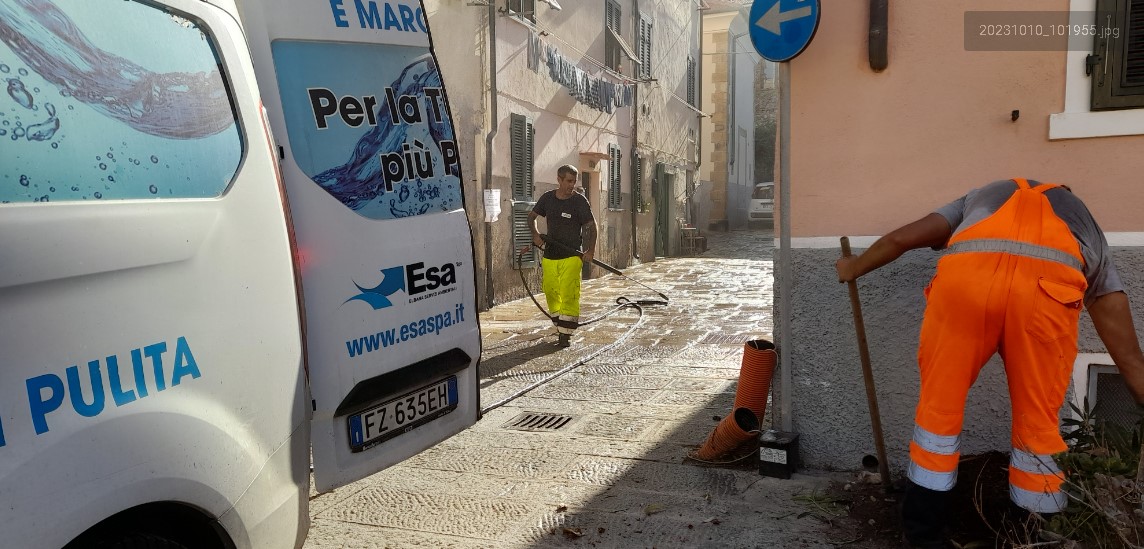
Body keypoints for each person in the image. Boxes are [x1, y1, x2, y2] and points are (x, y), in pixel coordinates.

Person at [834, 178, 1144, 548]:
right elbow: (1111, 308)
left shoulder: (977, 198)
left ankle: (923, 533)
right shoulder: (1081, 218)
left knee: (938, 415)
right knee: (1038, 426)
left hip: (964, 289)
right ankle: (1032, 534)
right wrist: (1138, 385)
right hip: (1047, 297)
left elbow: (900, 239)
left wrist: (853, 267)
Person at [530, 164, 597, 348]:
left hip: (572, 255)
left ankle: (565, 333)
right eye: (568, 181)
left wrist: (590, 251)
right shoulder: (547, 198)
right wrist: (536, 235)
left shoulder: (579, 201)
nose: (571, 185)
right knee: (550, 291)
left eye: (574, 181)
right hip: (550, 255)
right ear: (559, 180)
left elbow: (592, 227)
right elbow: (531, 217)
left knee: (569, 293)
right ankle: (560, 323)